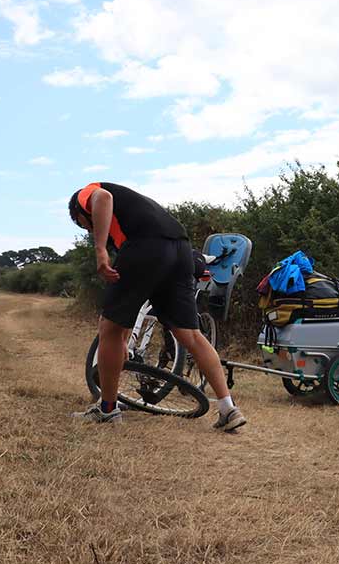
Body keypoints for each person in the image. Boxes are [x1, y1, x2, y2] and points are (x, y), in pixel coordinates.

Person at [67, 181, 247, 431]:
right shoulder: (135, 212)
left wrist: (100, 251)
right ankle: (228, 408)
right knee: (191, 336)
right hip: (181, 250)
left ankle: (107, 409)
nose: (88, 231)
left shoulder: (90, 192)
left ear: (78, 212)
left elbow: (103, 198)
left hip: (147, 246)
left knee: (109, 329)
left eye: (83, 224)